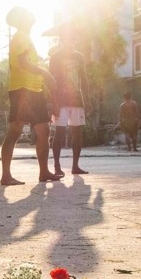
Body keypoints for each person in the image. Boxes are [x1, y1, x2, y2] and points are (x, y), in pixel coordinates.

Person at [1, 6, 58, 185]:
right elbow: (23, 63)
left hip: (33, 90)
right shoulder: (21, 37)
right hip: (23, 90)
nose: (31, 15)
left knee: (44, 130)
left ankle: (44, 172)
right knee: (15, 131)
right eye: (26, 14)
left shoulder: (24, 37)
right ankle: (6, 176)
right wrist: (46, 73)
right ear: (22, 20)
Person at [47, 21, 90, 175]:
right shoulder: (55, 57)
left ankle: (75, 166)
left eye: (72, 36)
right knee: (59, 133)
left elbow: (84, 79)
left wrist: (88, 99)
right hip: (61, 101)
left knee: (77, 134)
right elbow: (51, 81)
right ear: (61, 38)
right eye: (66, 36)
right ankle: (57, 166)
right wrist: (54, 102)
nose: (70, 39)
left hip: (77, 100)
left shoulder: (79, 56)